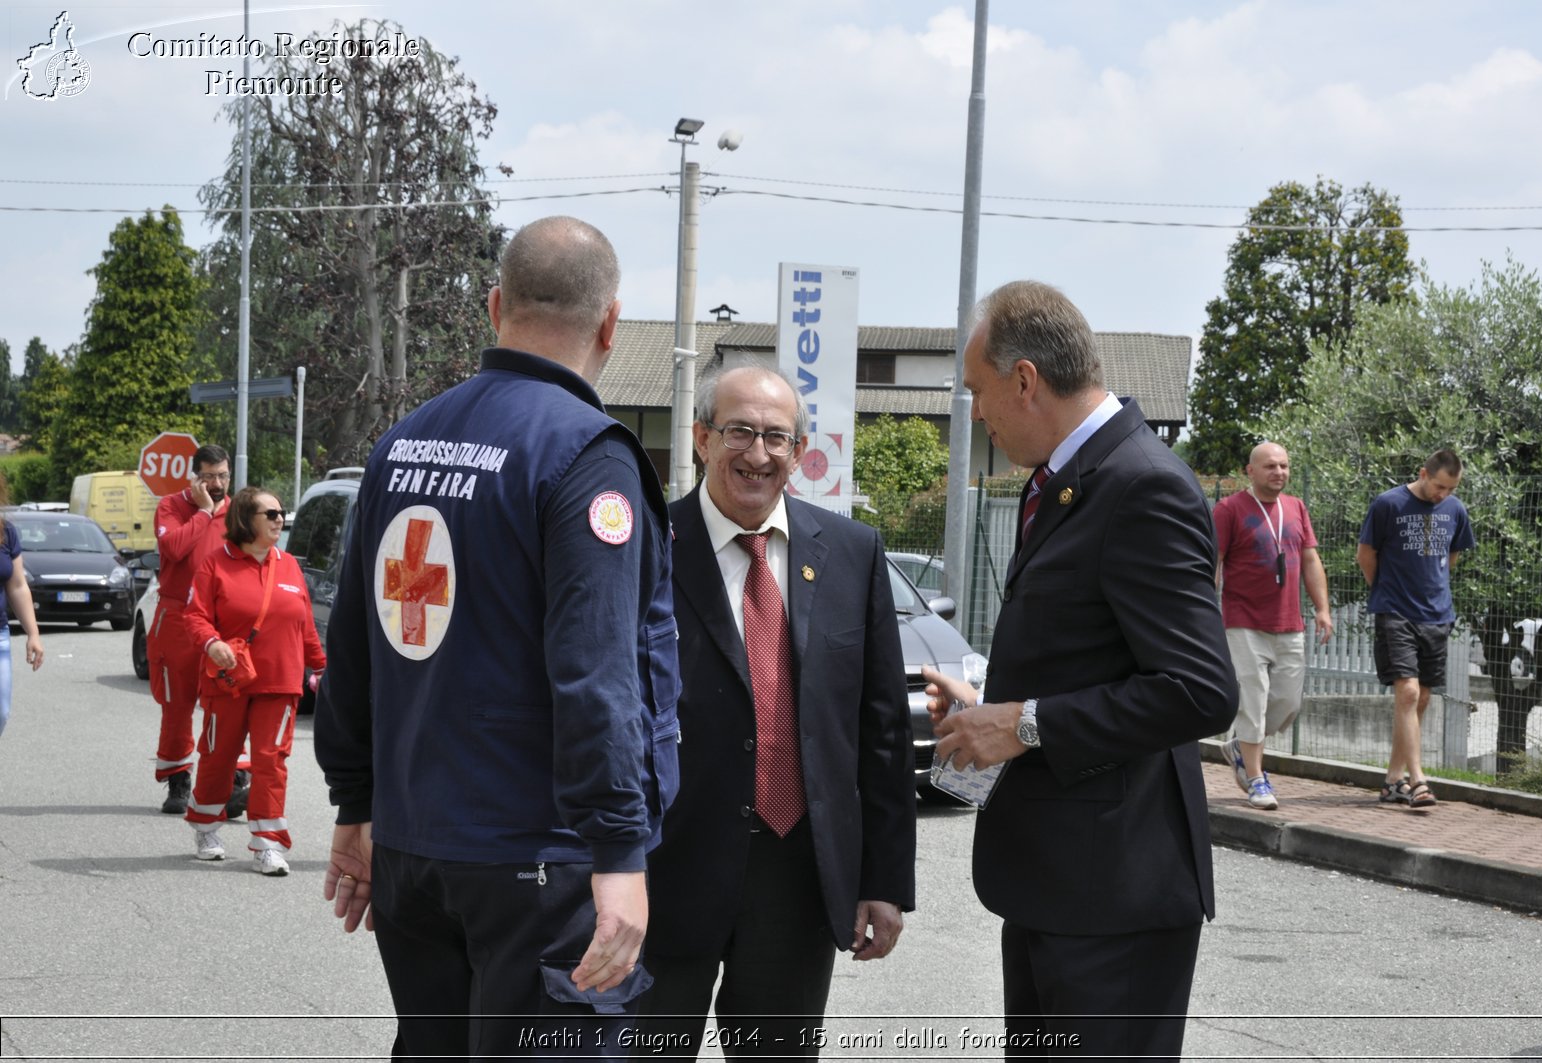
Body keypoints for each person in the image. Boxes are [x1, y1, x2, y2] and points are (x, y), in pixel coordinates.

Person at [313, 216, 679, 1059]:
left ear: (493, 306)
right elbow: (597, 674)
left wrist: (357, 800)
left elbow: (356, 642)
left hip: (412, 848)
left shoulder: (400, 446)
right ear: (611, 325)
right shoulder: (587, 454)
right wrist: (621, 851)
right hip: (539, 862)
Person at [920, 281, 1236, 1062]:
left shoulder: (1141, 483)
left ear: (1025, 380)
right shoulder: (1068, 477)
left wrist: (1025, 723)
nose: (978, 413)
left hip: (1114, 898)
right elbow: (1093, 649)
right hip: (1064, 883)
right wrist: (989, 703)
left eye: (978, 392)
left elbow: (1200, 688)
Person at [633, 366, 916, 1059]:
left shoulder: (852, 553)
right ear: (701, 438)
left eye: (775, 437)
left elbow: (882, 729)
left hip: (796, 879)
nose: (757, 453)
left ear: (799, 449)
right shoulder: (645, 547)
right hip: (664, 876)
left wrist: (883, 882)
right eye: (738, 432)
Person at [181, 487, 324, 875]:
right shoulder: (215, 565)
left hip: (280, 682)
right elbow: (194, 617)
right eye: (271, 513)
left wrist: (321, 668)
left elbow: (305, 625)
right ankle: (206, 827)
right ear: (246, 520)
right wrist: (212, 643)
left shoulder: (290, 565)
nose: (280, 519)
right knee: (218, 758)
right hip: (228, 681)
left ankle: (267, 844)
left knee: (270, 762)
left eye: (281, 513)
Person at [1214, 442, 1333, 811]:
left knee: (1285, 704)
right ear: (1250, 471)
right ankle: (1256, 779)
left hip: (1289, 624)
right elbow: (1212, 563)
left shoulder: (1296, 507)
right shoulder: (1229, 509)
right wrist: (1204, 612)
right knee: (1252, 701)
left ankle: (1239, 746)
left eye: (1283, 466)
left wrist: (1323, 609)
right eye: (1270, 466)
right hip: (1243, 622)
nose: (1278, 472)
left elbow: (1310, 560)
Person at [1357, 449, 1474, 810]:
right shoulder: (1388, 504)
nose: (1444, 494)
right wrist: (1388, 591)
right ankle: (1418, 780)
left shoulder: (1455, 510)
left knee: (1420, 698)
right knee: (1406, 692)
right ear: (1423, 473)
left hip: (1437, 615)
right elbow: (1366, 555)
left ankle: (1393, 780)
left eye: (1451, 489)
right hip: (1395, 611)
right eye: (1439, 486)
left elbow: (1450, 558)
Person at [149, 443, 248, 817]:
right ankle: (178, 780)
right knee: (177, 703)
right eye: (209, 476)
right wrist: (205, 513)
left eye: (222, 475)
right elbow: (173, 548)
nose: (217, 483)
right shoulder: (172, 507)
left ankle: (234, 780)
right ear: (195, 477)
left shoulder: (239, 510)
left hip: (221, 620)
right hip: (177, 617)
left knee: (228, 701)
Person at [0, 476, 45, 738]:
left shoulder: (6, 533)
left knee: (1, 712)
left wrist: (33, 633)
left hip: (0, 637)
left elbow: (17, 586)